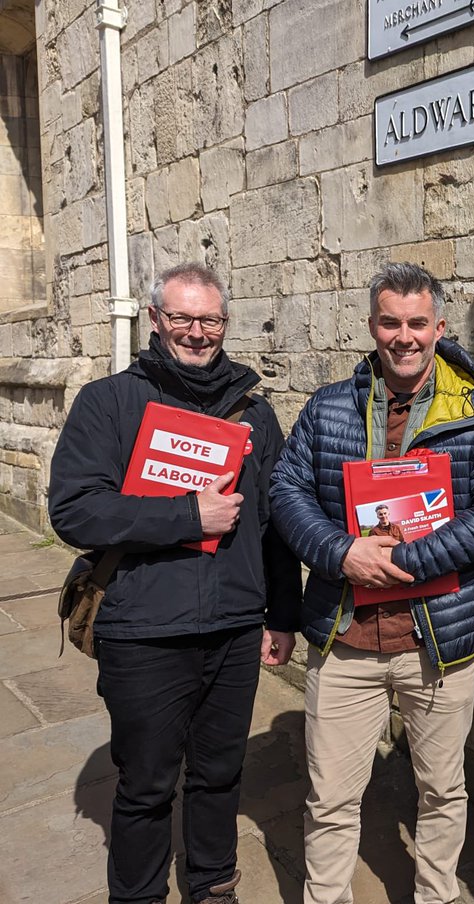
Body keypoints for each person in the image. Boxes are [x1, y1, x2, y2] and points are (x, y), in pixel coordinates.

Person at [47, 262, 301, 904]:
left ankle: (213, 882)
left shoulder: (255, 414)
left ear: (225, 323)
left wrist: (283, 616)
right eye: (182, 317)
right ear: (156, 319)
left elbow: (273, 524)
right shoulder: (107, 402)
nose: (197, 332)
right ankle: (137, 895)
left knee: (219, 772)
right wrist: (188, 514)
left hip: (235, 625)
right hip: (142, 628)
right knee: (146, 783)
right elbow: (75, 511)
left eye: (210, 319)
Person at [269, 261, 474, 904]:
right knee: (330, 798)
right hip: (346, 641)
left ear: (438, 327)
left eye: (416, 323)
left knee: (442, 790)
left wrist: (414, 559)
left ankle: (435, 896)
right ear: (372, 327)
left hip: (437, 644)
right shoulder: (328, 408)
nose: (403, 336)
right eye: (389, 323)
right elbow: (286, 491)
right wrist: (342, 552)